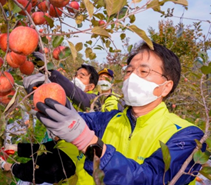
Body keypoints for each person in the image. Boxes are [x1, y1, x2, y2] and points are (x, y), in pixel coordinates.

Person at [34, 41, 204, 185]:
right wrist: (49, 91)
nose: (132, 78)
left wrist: (90, 143)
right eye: (129, 71)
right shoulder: (108, 120)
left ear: (166, 87)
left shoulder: (190, 137)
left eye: (143, 72)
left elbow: (152, 178)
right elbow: (73, 119)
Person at [24, 63, 99, 111]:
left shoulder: (96, 98)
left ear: (91, 87)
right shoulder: (67, 96)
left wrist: (52, 74)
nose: (76, 78)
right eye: (75, 75)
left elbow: (82, 98)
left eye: (81, 77)